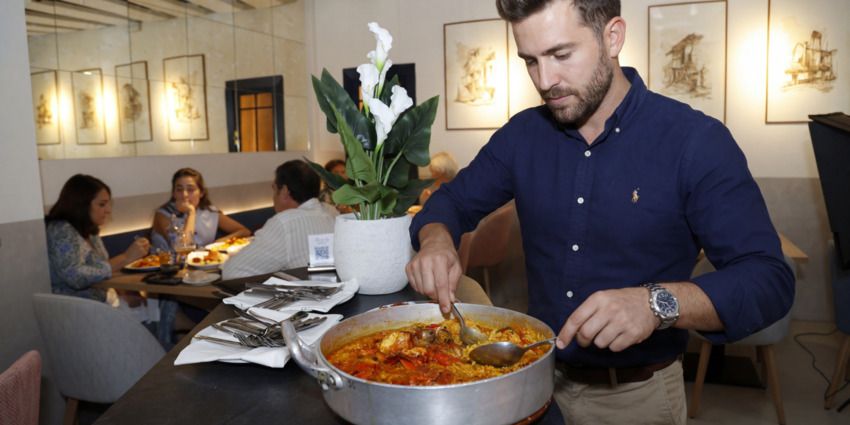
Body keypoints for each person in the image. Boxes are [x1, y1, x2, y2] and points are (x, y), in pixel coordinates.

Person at [405, 1, 795, 424]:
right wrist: (436, 240)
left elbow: (768, 279)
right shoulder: (522, 137)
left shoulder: (695, 142)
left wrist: (655, 303)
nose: (545, 80)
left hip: (635, 399)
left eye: (561, 55)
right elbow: (450, 203)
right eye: (530, 61)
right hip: (534, 382)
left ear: (613, 36)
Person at [222, 160, 338, 279]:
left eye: (274, 188)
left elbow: (232, 273)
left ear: (284, 191)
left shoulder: (285, 223)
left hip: (306, 296)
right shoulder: (334, 213)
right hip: (341, 293)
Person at [45, 174, 150, 300]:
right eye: (102, 205)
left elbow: (102, 270)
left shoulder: (90, 232)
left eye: (108, 204)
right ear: (81, 205)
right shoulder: (61, 230)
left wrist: (125, 291)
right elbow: (75, 277)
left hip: (101, 302)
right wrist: (125, 257)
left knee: (162, 308)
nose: (108, 210)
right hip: (75, 309)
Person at [150, 168, 250, 253]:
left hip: (202, 263)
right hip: (165, 269)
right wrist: (191, 213)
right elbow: (184, 247)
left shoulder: (209, 212)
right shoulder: (162, 214)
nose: (184, 194)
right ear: (174, 193)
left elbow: (244, 231)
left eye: (190, 189)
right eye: (179, 189)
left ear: (201, 193)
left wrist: (220, 242)